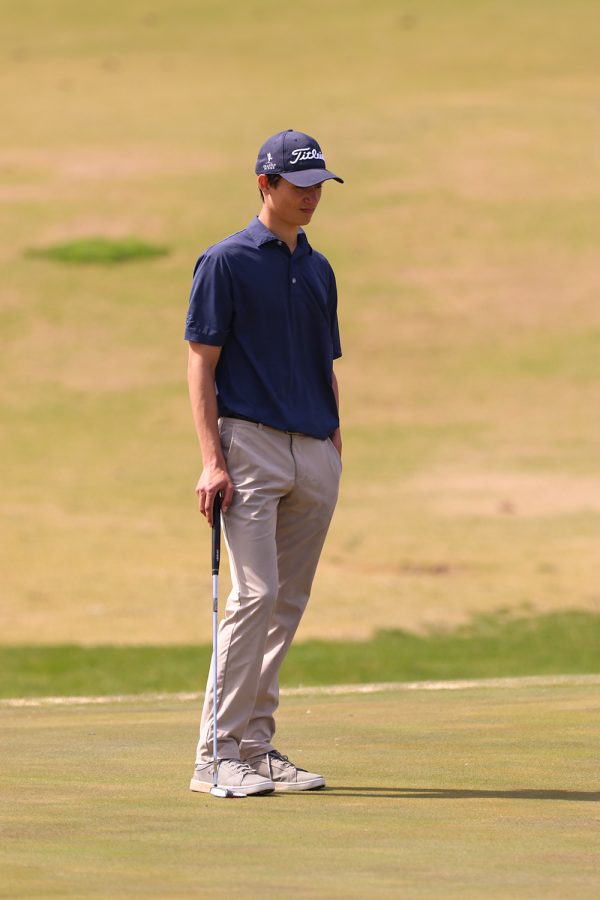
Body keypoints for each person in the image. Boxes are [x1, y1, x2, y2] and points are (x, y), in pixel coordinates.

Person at [185, 129, 344, 796]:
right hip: (247, 446)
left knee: (287, 601)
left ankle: (256, 745)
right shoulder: (224, 262)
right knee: (253, 597)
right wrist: (211, 459)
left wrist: (336, 443)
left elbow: (326, 362)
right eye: (298, 184)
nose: (310, 195)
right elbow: (201, 362)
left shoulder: (318, 268)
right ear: (265, 186)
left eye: (318, 185)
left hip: (314, 448)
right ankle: (215, 757)